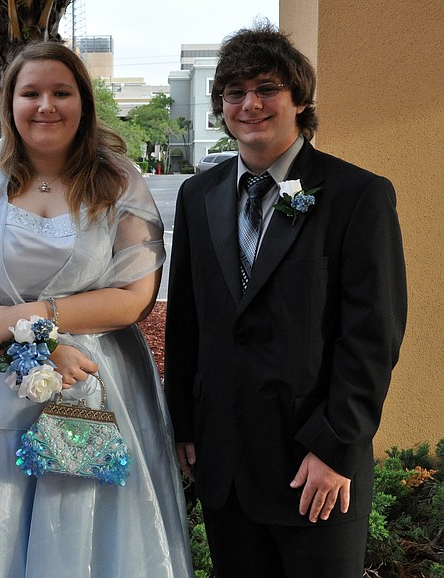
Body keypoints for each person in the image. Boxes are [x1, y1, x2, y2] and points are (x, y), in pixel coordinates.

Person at [0, 41, 193, 577]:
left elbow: (134, 297)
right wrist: (37, 347)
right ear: (10, 103)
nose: (45, 105)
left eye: (60, 92)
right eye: (31, 93)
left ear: (83, 103)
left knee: (76, 524)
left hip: (92, 385)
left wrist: (35, 315)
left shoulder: (118, 182)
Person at [164, 22, 407, 578]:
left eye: (267, 88)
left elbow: (373, 335)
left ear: (299, 100)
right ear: (220, 107)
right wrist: (184, 425)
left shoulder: (358, 195)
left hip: (313, 466)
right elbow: (187, 323)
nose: (250, 104)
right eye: (234, 93)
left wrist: (336, 447)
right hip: (224, 463)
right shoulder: (198, 195)